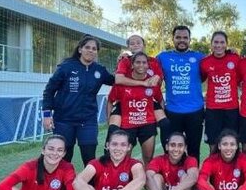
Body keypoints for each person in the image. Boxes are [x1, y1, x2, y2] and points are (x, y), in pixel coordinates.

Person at [42, 35, 114, 165]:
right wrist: (47, 115)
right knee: (64, 159)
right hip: (64, 121)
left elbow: (116, 81)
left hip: (88, 121)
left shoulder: (99, 71)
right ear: (80, 49)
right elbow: (49, 91)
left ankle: (90, 185)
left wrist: (124, 62)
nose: (91, 50)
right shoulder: (66, 67)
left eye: (94, 48)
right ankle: (62, 185)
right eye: (87, 47)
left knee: (89, 158)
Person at [110, 34, 170, 151]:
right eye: (132, 43)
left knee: (165, 124)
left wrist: (156, 78)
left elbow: (158, 81)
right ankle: (110, 160)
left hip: (146, 100)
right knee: (113, 130)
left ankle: (169, 155)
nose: (135, 45)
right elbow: (118, 79)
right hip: (126, 100)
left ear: (144, 45)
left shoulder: (154, 61)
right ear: (128, 47)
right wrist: (143, 83)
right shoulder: (124, 60)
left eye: (138, 42)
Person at [156, 26, 205, 161]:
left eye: (185, 37)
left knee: (194, 149)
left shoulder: (200, 57)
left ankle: (193, 180)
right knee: (172, 149)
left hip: (195, 111)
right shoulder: (162, 57)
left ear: (189, 39)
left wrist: (230, 53)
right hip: (172, 111)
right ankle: (172, 179)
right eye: (178, 37)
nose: (181, 40)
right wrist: (126, 57)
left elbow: (217, 64)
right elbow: (142, 66)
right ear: (173, 39)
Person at [107, 52, 163, 164]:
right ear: (132, 65)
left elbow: (160, 100)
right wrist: (109, 119)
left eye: (144, 62)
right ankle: (124, 180)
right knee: (124, 160)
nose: (141, 65)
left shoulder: (152, 83)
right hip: (127, 125)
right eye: (138, 62)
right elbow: (110, 101)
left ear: (148, 65)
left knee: (148, 158)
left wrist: (160, 118)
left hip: (147, 124)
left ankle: (147, 181)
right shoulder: (121, 83)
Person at [200, 31, 241, 153]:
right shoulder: (205, 62)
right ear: (211, 44)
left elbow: (240, 79)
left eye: (222, 42)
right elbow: (201, 79)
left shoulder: (235, 58)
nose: (219, 45)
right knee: (213, 144)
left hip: (231, 109)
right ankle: (214, 170)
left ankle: (234, 170)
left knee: (232, 143)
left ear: (226, 44)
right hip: (213, 109)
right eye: (216, 42)